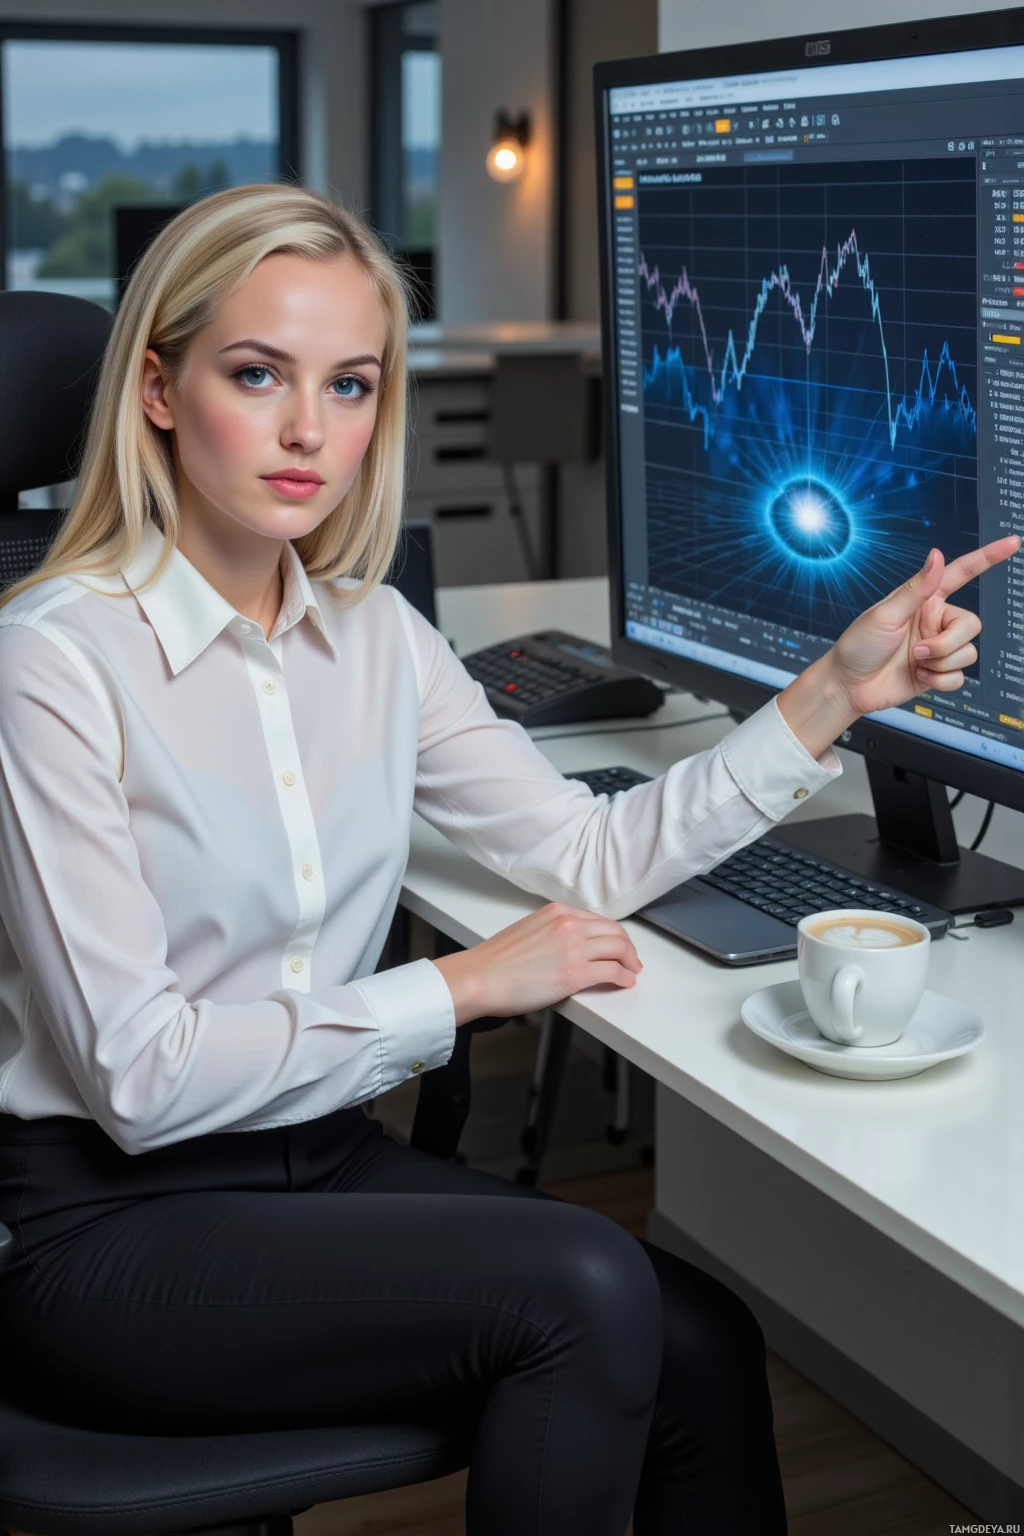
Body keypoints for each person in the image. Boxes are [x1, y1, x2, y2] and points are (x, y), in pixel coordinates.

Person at [0, 183, 1015, 1536]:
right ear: (163, 390)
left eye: (351, 385)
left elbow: (584, 851)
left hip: (310, 1161)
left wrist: (828, 694)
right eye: (259, 374)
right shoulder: (53, 661)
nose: (311, 430)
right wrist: (465, 987)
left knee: (698, 1333)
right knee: (585, 1292)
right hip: (104, 1227)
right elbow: (140, 1077)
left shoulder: (378, 642)